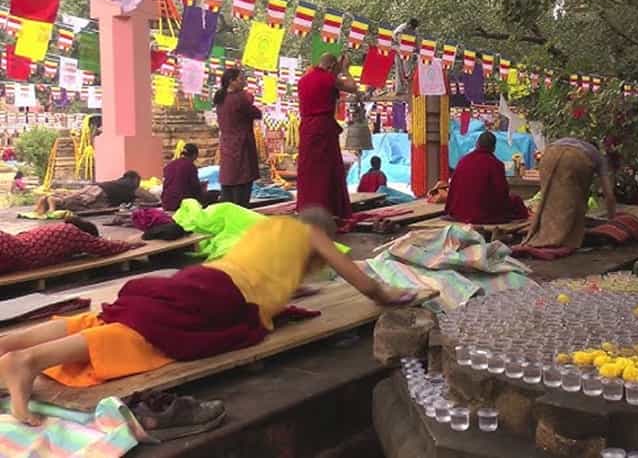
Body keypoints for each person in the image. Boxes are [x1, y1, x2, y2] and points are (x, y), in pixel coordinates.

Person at [0, 208, 415, 425]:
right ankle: (29, 362)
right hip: (221, 298)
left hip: (202, 279)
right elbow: (361, 280)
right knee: (146, 335)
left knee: (123, 313)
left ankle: (14, 343)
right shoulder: (312, 235)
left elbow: (253, 271)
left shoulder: (267, 227)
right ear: (322, 231)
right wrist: (387, 295)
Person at [521, 138, 616, 250]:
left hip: (549, 154)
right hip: (576, 159)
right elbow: (609, 194)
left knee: (549, 200)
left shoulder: (570, 142)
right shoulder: (597, 156)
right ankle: (563, 240)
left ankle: (541, 235)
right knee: (575, 202)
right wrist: (612, 221)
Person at [296, 53, 359, 219]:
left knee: (309, 171)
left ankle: (306, 207)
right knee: (327, 171)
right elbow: (353, 87)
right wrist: (345, 69)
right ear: (331, 67)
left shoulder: (304, 80)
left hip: (306, 129)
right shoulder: (328, 79)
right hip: (323, 128)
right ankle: (329, 209)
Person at [0, 216, 142, 275]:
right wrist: (128, 244)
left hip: (10, 245)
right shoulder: (72, 233)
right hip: (12, 253)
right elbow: (105, 247)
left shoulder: (54, 228)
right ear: (86, 233)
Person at [444, 132, 528, 225]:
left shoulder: (463, 160)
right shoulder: (496, 164)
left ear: (477, 144)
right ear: (493, 148)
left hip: (459, 211)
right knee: (516, 201)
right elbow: (502, 193)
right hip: (484, 213)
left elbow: (453, 188)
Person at [214, 68, 262, 208]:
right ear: (232, 81)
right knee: (243, 182)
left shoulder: (220, 99)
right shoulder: (240, 98)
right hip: (242, 144)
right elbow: (257, 113)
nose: (245, 82)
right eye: (241, 79)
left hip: (226, 144)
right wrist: (248, 98)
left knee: (229, 181)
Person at [34, 171, 144, 215]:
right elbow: (149, 198)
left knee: (78, 195)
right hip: (103, 195)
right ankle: (56, 201)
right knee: (83, 204)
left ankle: (51, 200)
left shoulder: (120, 182)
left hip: (97, 187)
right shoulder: (131, 187)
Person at [161, 144, 211, 211]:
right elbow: (195, 188)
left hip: (166, 203)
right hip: (179, 204)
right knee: (213, 195)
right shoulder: (190, 166)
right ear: (194, 155)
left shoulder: (170, 165)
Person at [391, 18, 419, 95]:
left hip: (407, 48)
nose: (412, 29)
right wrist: (410, 51)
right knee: (401, 67)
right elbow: (401, 43)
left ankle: (409, 84)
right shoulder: (401, 30)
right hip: (396, 46)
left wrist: (418, 51)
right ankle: (400, 89)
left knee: (408, 65)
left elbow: (416, 43)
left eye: (413, 28)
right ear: (408, 25)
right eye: (411, 28)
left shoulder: (414, 31)